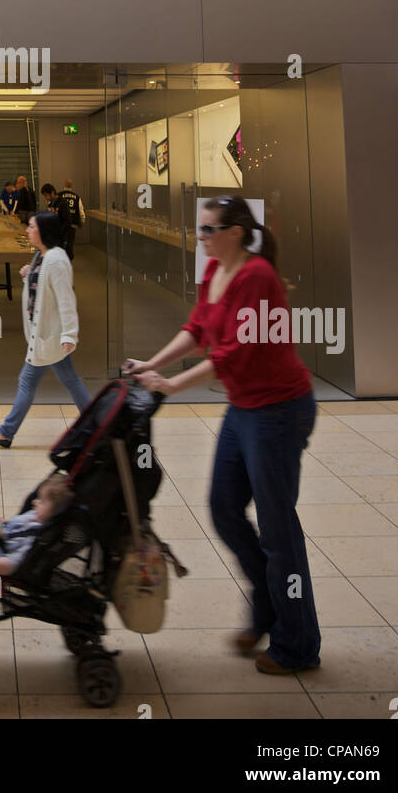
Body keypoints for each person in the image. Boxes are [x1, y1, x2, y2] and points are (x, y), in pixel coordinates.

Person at [123, 195, 320, 675]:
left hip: (277, 410)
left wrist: (170, 385)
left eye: (208, 230)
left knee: (278, 530)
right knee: (224, 508)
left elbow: (233, 354)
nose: (200, 238)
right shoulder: (215, 271)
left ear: (234, 232)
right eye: (199, 229)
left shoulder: (257, 277)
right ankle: (268, 607)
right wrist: (152, 364)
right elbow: (196, 330)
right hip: (245, 406)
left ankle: (297, 644)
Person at [0, 211, 90, 448]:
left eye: (31, 227)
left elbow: (66, 300)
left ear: (43, 231)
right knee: (69, 380)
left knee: (28, 380)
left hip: (50, 336)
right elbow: (42, 287)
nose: (27, 230)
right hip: (44, 335)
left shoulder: (57, 259)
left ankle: (6, 432)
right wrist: (30, 275)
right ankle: (98, 425)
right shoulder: (42, 255)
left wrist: (70, 334)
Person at [57, 179, 85, 262]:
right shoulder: (76, 197)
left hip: (61, 224)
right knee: (70, 243)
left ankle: (60, 260)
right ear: (71, 186)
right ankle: (69, 260)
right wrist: (81, 222)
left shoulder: (59, 195)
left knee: (60, 243)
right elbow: (81, 211)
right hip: (72, 224)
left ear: (64, 185)